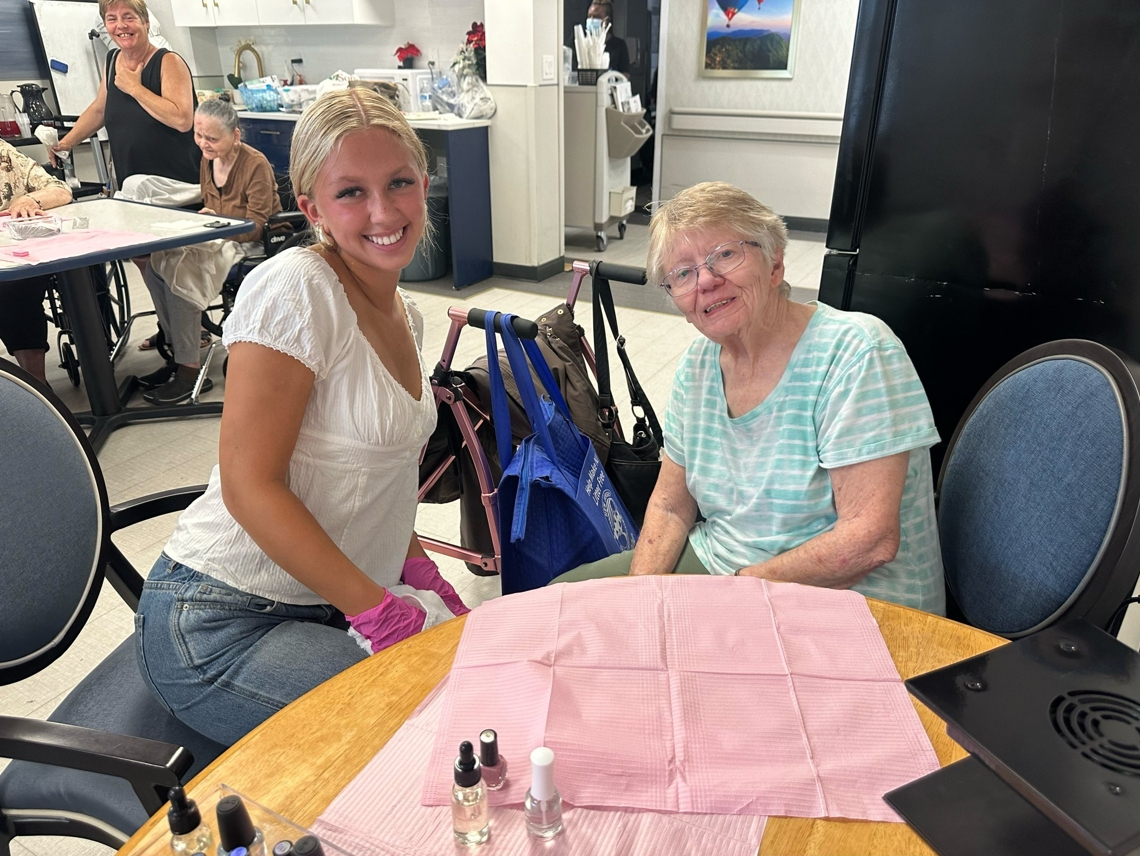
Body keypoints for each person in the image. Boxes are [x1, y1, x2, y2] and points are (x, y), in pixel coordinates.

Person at [134, 88, 468, 747]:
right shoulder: (296, 289)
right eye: (351, 192)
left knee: (474, 685)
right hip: (218, 621)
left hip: (321, 602)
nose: (383, 211)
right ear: (313, 208)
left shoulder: (406, 315)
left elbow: (374, 485)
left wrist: (416, 569)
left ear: (423, 185)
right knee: (427, 728)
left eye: (399, 182)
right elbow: (249, 485)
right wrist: (379, 612)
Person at [555, 182, 945, 614]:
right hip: (727, 562)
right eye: (682, 274)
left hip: (853, 599)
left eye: (724, 254)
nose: (706, 280)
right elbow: (670, 506)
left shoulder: (856, 353)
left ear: (775, 263)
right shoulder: (697, 367)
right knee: (558, 604)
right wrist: (640, 599)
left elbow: (868, 542)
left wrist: (735, 592)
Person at [138, 97, 283, 405]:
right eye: (199, 135)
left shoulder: (254, 164)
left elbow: (258, 225)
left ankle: (189, 370)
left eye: (212, 138)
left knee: (182, 272)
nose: (203, 143)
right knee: (157, 265)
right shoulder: (208, 159)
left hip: (250, 243)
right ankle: (177, 352)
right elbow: (210, 204)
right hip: (217, 237)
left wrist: (218, 223)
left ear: (235, 135)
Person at [52, 0, 199, 187]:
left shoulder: (168, 61)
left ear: (146, 22)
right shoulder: (112, 60)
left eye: (129, 17)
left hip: (176, 187)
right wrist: (66, 143)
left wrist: (134, 88)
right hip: (131, 185)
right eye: (112, 19)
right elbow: (99, 110)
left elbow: (182, 120)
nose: (121, 25)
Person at [0, 141, 73, 384]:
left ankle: (38, 387)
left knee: (12, 290)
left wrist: (29, 200)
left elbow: (60, 189)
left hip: (14, 255)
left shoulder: (4, 154)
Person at [587, 1, 631, 76]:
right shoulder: (580, 43)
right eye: (589, 16)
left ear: (606, 20)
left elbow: (626, 74)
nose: (591, 20)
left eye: (596, 17)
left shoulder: (619, 45)